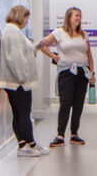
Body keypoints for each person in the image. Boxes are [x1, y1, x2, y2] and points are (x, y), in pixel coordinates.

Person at [37, 8, 94, 147]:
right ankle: (60, 135)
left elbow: (89, 55)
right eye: (76, 16)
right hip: (67, 73)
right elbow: (42, 45)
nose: (78, 18)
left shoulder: (83, 35)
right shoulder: (59, 32)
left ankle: (74, 134)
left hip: (82, 72)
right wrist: (53, 56)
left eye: (80, 16)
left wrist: (92, 73)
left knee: (79, 104)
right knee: (65, 104)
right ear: (69, 17)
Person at [0, 5, 44, 157]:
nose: (27, 22)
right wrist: (23, 78)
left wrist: (36, 47)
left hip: (14, 82)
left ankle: (23, 144)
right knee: (24, 114)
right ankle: (30, 144)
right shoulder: (13, 32)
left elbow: (24, 52)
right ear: (20, 16)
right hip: (18, 82)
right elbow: (15, 58)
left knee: (19, 114)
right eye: (26, 18)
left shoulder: (12, 31)